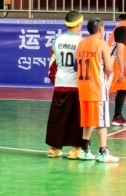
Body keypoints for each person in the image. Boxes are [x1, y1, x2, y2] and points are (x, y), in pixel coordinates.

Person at [76, 18, 120, 163]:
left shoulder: (81, 43)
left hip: (83, 87)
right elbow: (109, 68)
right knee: (102, 121)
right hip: (97, 87)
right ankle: (103, 152)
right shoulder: (102, 44)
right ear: (101, 29)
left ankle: (84, 150)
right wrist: (110, 76)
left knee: (88, 119)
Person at [45, 11, 85, 159]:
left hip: (60, 83)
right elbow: (82, 65)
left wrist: (55, 81)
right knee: (77, 118)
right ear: (79, 24)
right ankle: (76, 149)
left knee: (57, 117)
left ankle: (54, 148)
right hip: (77, 86)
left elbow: (52, 64)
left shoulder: (57, 40)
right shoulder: (81, 42)